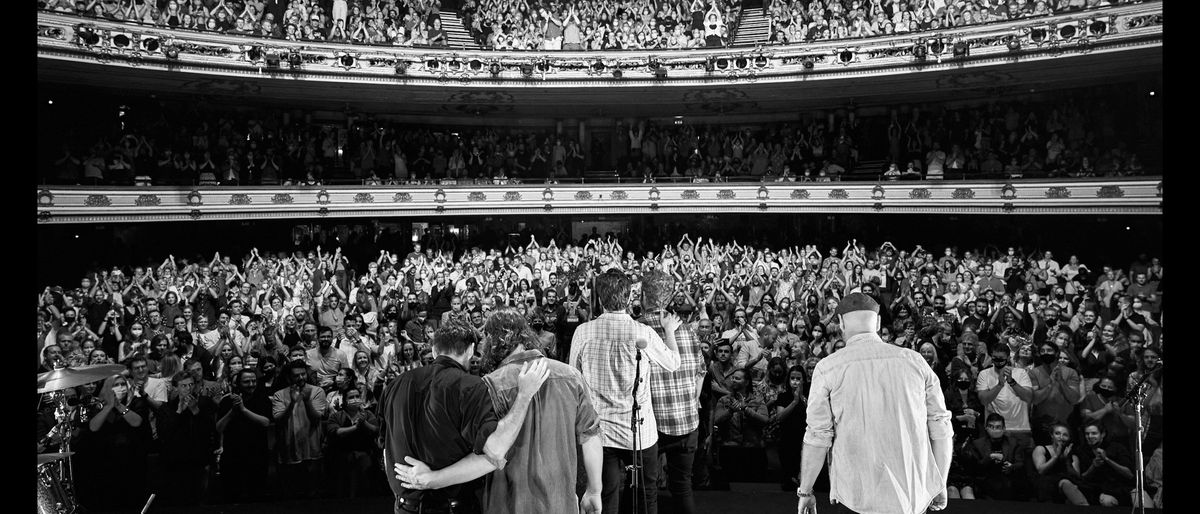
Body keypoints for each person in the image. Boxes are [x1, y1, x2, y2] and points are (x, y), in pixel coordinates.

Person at [395, 308, 604, 514]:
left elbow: (487, 457)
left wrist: (433, 479)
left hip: (507, 503)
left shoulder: (488, 385)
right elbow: (591, 437)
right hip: (561, 504)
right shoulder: (571, 376)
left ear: (492, 341)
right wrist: (594, 491)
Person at [797, 292, 952, 514]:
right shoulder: (914, 361)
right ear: (878, 322)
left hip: (854, 496)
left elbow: (818, 436)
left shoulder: (827, 367)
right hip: (911, 497)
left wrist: (806, 491)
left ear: (840, 322)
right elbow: (941, 427)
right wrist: (940, 483)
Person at [381, 318, 550, 514]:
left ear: (434, 350)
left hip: (404, 507)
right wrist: (524, 395)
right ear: (471, 350)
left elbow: (385, 451)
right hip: (453, 507)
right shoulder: (470, 386)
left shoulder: (395, 385)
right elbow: (495, 450)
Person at [569, 269, 682, 514]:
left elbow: (573, 379)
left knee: (604, 496)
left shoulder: (583, 332)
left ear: (599, 298)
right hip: (640, 432)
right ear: (630, 296)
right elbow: (673, 363)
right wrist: (670, 332)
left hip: (599, 431)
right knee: (646, 497)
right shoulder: (643, 333)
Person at [640, 270, 706, 514]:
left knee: (646, 489)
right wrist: (692, 400)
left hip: (652, 425)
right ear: (668, 298)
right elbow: (701, 371)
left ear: (643, 296)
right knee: (682, 487)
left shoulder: (638, 329)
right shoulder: (687, 330)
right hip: (687, 421)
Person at [271, 359, 329, 499]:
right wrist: (291, 403)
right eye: (296, 375)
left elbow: (317, 418)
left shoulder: (317, 391)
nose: (301, 378)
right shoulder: (279, 394)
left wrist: (307, 400)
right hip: (289, 447)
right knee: (291, 493)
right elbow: (278, 420)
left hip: (311, 447)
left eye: (303, 374)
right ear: (289, 377)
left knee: (312, 492)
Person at [216, 368, 272, 504]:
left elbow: (265, 422)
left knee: (256, 495)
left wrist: (243, 410)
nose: (251, 384)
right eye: (247, 382)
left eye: (254, 381)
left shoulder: (262, 399)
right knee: (232, 495)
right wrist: (233, 411)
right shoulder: (227, 401)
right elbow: (219, 427)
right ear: (238, 384)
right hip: (233, 453)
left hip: (257, 452)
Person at [975, 344, 1035, 449]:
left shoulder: (1021, 373)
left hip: (1020, 428)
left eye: (1001, 358)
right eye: (995, 358)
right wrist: (999, 385)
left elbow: (1028, 397)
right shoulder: (984, 374)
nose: (998, 361)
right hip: (995, 429)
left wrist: (1012, 382)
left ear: (1008, 358)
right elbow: (983, 400)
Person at [966, 414, 1024, 500]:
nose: (994, 430)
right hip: (986, 481)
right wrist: (990, 457)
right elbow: (975, 468)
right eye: (991, 427)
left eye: (998, 427)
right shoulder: (977, 444)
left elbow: (1021, 463)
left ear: (1004, 428)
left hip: (1008, 481)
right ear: (986, 428)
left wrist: (1011, 466)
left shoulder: (1013, 443)